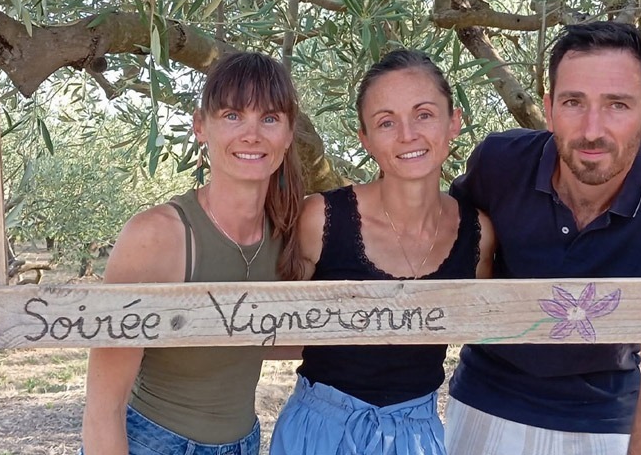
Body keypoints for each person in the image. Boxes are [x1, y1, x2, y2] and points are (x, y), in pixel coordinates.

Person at [445, 21, 641, 455]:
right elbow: (437, 244)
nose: (592, 130)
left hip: (603, 422)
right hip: (483, 403)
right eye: (574, 102)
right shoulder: (498, 164)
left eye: (617, 105)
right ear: (549, 110)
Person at [271, 49, 497, 455]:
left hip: (418, 436)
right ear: (365, 139)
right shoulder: (320, 219)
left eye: (424, 114)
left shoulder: (478, 233)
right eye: (386, 122)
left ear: (454, 122)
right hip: (318, 432)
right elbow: (272, 329)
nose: (407, 134)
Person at [81, 52, 304, 455]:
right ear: (201, 126)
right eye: (233, 115)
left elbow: (258, 336)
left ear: (288, 135)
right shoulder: (157, 237)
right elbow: (103, 409)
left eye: (269, 118)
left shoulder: (288, 233)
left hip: (245, 443)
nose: (251, 134)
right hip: (154, 443)